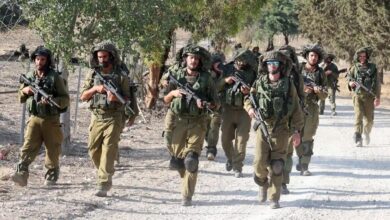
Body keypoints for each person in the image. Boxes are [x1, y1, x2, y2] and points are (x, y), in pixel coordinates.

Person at [245, 50, 304, 209]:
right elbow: (248, 99)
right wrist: (250, 109)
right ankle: (262, 183)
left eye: (275, 63)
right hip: (263, 129)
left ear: (281, 66)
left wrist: (297, 131)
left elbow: (296, 109)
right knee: (259, 164)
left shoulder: (288, 84)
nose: (272, 66)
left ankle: (274, 198)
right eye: (269, 63)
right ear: (266, 66)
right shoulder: (259, 83)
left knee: (278, 165)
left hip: (282, 130)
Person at [163, 45, 219, 206]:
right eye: (191, 57)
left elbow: (216, 103)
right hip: (177, 120)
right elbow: (164, 100)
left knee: (191, 160)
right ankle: (184, 173)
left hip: (197, 122)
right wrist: (173, 94)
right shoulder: (176, 76)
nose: (193, 61)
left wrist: (205, 104)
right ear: (186, 59)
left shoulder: (206, 78)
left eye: (196, 58)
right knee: (177, 160)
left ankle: (186, 195)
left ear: (200, 61)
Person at [80, 41, 138, 197]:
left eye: (105, 56)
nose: (102, 60)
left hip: (115, 116)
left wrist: (115, 98)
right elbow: (83, 96)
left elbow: (127, 98)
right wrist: (96, 89)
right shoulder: (92, 74)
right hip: (96, 116)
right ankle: (105, 170)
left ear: (112, 57)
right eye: (99, 57)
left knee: (108, 149)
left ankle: (104, 182)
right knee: (93, 150)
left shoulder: (121, 76)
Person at [11, 46, 70, 187]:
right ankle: (21, 174)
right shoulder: (30, 75)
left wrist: (53, 101)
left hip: (51, 120)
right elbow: (20, 96)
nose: (39, 62)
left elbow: (65, 99)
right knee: (28, 147)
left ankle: (51, 175)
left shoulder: (55, 77)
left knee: (52, 149)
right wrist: (25, 90)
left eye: (43, 59)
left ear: (48, 61)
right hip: (34, 118)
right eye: (37, 59)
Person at [217, 49, 257, 178]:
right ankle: (230, 157)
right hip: (228, 109)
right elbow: (214, 87)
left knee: (241, 140)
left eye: (243, 60)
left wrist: (248, 91)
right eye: (238, 60)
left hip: (244, 111)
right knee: (225, 140)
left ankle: (237, 167)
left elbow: (257, 90)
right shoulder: (227, 69)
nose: (240, 63)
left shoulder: (252, 73)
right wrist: (225, 81)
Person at [296, 44, 328, 176]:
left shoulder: (320, 73)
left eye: (316, 56)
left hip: (312, 108)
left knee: (307, 137)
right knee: (295, 136)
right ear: (307, 56)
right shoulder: (297, 69)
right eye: (311, 55)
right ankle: (300, 157)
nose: (314, 58)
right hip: (296, 107)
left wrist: (317, 91)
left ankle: (304, 165)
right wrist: (302, 89)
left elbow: (325, 94)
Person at [278, 45, 305, 194]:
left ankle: (283, 182)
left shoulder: (295, 76)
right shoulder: (271, 74)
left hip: (290, 118)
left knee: (287, 152)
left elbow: (301, 97)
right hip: (273, 120)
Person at [347, 47, 381, 147]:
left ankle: (366, 133)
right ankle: (358, 137)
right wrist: (350, 83)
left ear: (367, 57)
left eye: (364, 56)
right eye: (360, 56)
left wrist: (377, 97)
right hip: (357, 96)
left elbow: (377, 84)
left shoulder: (373, 68)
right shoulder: (354, 67)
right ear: (357, 57)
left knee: (369, 120)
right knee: (358, 116)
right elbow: (349, 80)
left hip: (369, 97)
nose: (362, 58)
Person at [204, 53, 225, 160]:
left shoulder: (226, 74)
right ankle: (210, 143)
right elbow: (214, 88)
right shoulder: (207, 75)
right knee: (205, 130)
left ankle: (211, 149)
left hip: (218, 107)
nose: (219, 66)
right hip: (205, 106)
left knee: (214, 126)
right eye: (217, 64)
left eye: (220, 63)